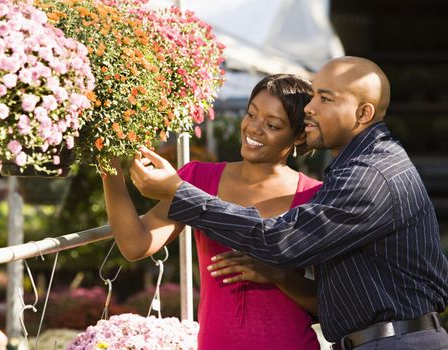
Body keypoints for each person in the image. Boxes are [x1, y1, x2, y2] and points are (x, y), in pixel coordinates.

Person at [130, 56, 448, 350]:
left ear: (362, 113)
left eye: (325, 98)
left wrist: (180, 192)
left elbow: (283, 241)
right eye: (313, 97)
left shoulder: (370, 175)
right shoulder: (360, 165)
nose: (309, 107)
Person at [103, 74, 323, 349]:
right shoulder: (197, 179)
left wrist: (276, 274)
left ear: (298, 135)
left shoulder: (315, 196)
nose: (253, 129)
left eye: (272, 124)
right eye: (251, 114)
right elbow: (135, 244)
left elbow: (326, 302)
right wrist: (108, 165)